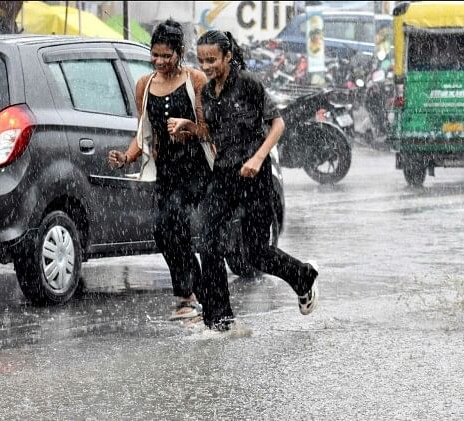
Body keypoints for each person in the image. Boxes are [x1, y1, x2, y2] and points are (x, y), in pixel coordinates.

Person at [173, 30, 319, 332]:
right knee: (208, 240)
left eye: (212, 59)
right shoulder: (207, 92)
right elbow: (212, 133)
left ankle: (302, 276)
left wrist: (257, 158)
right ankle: (220, 319)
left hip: (255, 177)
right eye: (202, 60)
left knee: (255, 251)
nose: (207, 65)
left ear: (227, 56)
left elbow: (277, 123)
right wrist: (190, 126)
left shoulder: (249, 84)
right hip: (225, 175)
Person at [108, 19, 213, 321]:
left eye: (166, 55)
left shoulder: (196, 81)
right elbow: (143, 134)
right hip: (166, 170)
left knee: (178, 221)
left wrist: (189, 127)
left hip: (196, 169)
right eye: (155, 55)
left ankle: (188, 296)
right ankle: (195, 293)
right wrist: (125, 158)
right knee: (164, 231)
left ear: (180, 52)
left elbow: (210, 130)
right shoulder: (144, 85)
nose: (159, 61)